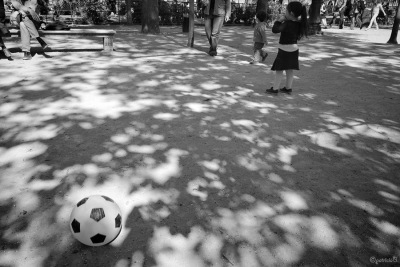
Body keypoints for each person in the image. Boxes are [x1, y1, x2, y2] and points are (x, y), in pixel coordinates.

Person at [266, 1, 308, 95]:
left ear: (291, 13)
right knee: (290, 69)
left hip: (284, 50)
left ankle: (275, 88)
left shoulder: (287, 23)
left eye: (286, 11)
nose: (285, 13)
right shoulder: (299, 23)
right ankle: (288, 88)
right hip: (294, 49)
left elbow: (275, 30)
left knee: (279, 69)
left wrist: (279, 21)